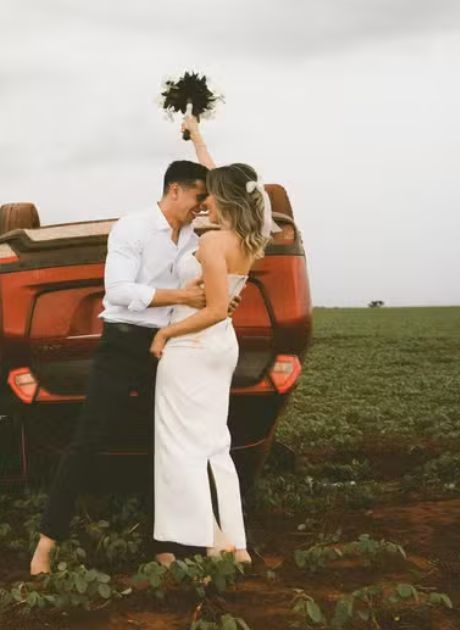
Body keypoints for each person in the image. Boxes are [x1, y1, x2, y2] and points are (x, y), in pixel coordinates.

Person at [29, 159, 214, 576]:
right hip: (124, 342)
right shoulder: (132, 227)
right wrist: (179, 297)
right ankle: (45, 544)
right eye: (198, 197)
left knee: (165, 446)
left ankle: (162, 544)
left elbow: (225, 192)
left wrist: (194, 130)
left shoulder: (190, 236)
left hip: (167, 347)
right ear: (175, 191)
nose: (202, 207)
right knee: (87, 441)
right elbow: (119, 291)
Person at [147, 115, 275, 566]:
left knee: (179, 445)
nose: (203, 203)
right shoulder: (249, 238)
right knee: (213, 444)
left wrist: (166, 331)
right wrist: (197, 135)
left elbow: (215, 307)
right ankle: (233, 543)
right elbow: (225, 309)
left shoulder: (212, 243)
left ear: (223, 200)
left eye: (209, 196)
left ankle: (203, 541)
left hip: (193, 346)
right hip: (221, 347)